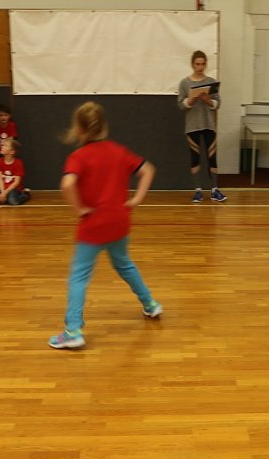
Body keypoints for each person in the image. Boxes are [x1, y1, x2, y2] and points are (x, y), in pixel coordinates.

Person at [49, 101, 162, 350]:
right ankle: (151, 305)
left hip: (93, 225)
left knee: (79, 276)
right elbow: (148, 170)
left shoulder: (78, 156)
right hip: (119, 222)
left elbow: (67, 185)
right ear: (103, 126)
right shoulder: (119, 151)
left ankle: (73, 331)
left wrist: (79, 209)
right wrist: (138, 198)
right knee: (124, 264)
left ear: (79, 129)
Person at [178, 50, 226, 203]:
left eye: (203, 63)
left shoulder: (211, 81)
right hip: (192, 126)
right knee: (195, 157)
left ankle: (214, 190)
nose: (200, 67)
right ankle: (198, 190)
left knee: (212, 157)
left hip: (208, 124)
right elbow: (180, 104)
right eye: (197, 64)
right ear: (192, 64)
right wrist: (189, 101)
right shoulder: (185, 83)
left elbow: (218, 103)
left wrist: (207, 100)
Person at [0, 139, 29, 205]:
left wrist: (5, 193)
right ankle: (4, 198)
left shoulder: (18, 163)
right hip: (1, 187)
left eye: (5, 145)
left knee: (13, 202)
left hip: (13, 188)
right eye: (3, 145)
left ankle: (25, 194)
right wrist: (3, 192)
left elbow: (16, 182)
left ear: (12, 151)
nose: (2, 146)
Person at [0, 103, 18, 169]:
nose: (3, 117)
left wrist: (6, 156)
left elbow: (10, 142)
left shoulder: (12, 125)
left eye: (5, 115)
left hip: (7, 151)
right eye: (0, 115)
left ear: (9, 116)